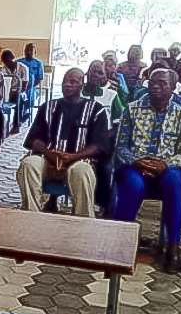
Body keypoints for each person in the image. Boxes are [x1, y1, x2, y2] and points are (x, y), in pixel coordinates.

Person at [112, 69, 181, 271]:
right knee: (134, 184)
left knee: (174, 181)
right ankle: (121, 240)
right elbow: (121, 147)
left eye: (162, 83)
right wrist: (138, 161)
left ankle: (173, 246)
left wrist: (164, 164)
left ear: (173, 87)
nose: (156, 87)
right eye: (153, 83)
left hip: (167, 168)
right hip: (134, 167)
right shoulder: (132, 110)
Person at [16, 68, 111, 217]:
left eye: (73, 81)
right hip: (48, 161)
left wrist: (71, 157)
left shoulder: (96, 109)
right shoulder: (48, 107)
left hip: (79, 161)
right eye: (65, 81)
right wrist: (49, 153)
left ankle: (83, 220)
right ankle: (32, 216)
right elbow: (34, 139)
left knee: (82, 172)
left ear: (82, 84)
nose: (67, 84)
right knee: (29, 164)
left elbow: (99, 145)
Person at [83, 59, 124, 127]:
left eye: (100, 73)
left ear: (104, 77)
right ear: (87, 73)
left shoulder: (112, 95)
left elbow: (118, 120)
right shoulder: (77, 94)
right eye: (93, 71)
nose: (95, 75)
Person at [0, 50, 30, 134]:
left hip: (19, 92)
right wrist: (7, 92)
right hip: (6, 92)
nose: (8, 64)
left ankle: (16, 125)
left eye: (9, 61)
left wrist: (14, 92)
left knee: (19, 98)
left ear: (13, 58)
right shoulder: (3, 70)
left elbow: (24, 86)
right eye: (5, 62)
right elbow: (1, 84)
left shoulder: (23, 68)